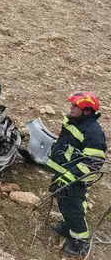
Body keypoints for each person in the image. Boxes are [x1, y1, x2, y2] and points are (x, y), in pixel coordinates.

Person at [47, 91, 107, 257]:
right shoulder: (74, 121)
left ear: (86, 110)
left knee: (74, 209)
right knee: (63, 201)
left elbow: (92, 163)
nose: (71, 108)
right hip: (65, 172)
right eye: (72, 105)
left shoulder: (93, 133)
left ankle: (80, 241)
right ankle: (67, 227)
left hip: (76, 180)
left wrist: (68, 178)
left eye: (75, 106)